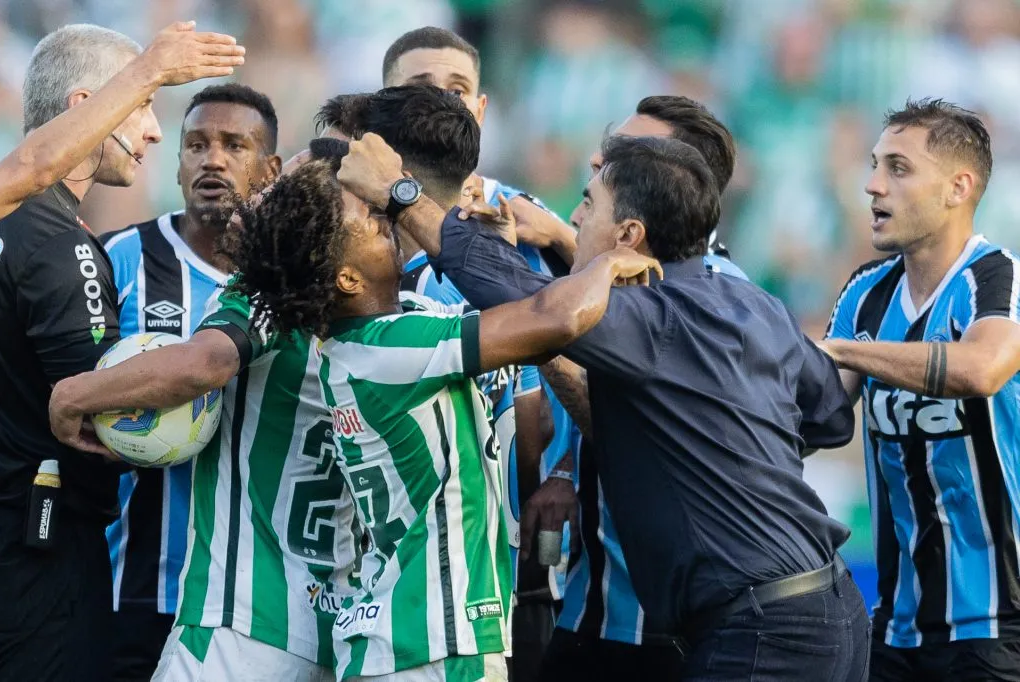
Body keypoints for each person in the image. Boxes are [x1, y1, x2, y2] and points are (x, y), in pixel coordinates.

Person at [336, 130, 870, 681]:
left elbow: (532, 305)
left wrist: (399, 193)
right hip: (827, 606)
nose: (574, 217)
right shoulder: (751, 301)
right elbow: (829, 415)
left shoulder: (651, 319)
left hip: (764, 632)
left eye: (589, 204)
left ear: (628, 235)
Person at [219, 149, 660, 681]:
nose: (387, 221)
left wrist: (492, 249)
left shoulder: (398, 327)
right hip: (429, 641)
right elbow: (555, 318)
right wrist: (606, 263)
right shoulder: (389, 349)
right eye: (371, 223)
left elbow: (500, 313)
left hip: (412, 638)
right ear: (347, 280)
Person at [49, 145, 357, 681]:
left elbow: (203, 363)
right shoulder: (412, 320)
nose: (263, 195)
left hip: (241, 624)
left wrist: (74, 396)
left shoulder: (264, 302)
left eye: (282, 189)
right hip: (340, 625)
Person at [0, 22, 241, 681]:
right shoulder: (60, 244)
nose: (155, 132)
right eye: (143, 108)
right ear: (87, 108)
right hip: (41, 552)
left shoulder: (8, 221)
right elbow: (103, 413)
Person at [380, 31, 576, 679]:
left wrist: (568, 471)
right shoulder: (344, 224)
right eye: (419, 88)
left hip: (515, 568)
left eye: (457, 89)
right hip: (383, 569)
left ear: (482, 110)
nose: (440, 99)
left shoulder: (521, 221)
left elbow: (622, 345)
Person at [539, 94, 745, 681]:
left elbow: (650, 428)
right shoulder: (611, 276)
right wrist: (562, 472)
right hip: (592, 602)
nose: (598, 160)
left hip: (662, 622)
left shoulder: (717, 296)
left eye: (625, 152)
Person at [820, 99, 1020, 682]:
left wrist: (839, 350)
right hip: (894, 625)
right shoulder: (865, 292)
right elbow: (817, 420)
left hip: (999, 624)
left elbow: (982, 369)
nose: (873, 185)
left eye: (898, 169)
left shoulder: (997, 278)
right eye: (875, 165)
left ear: (959, 187)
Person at [98, 83, 281, 681]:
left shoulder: (295, 283)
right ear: (177, 164)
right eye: (196, 144)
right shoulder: (120, 259)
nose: (213, 159)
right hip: (132, 589)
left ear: (271, 169)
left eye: (235, 145)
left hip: (253, 604)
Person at [0, 20, 243, 222]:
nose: (156, 133)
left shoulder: (59, 237)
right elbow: (35, 166)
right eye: (141, 105)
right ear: (81, 105)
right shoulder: (42, 242)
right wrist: (151, 69)